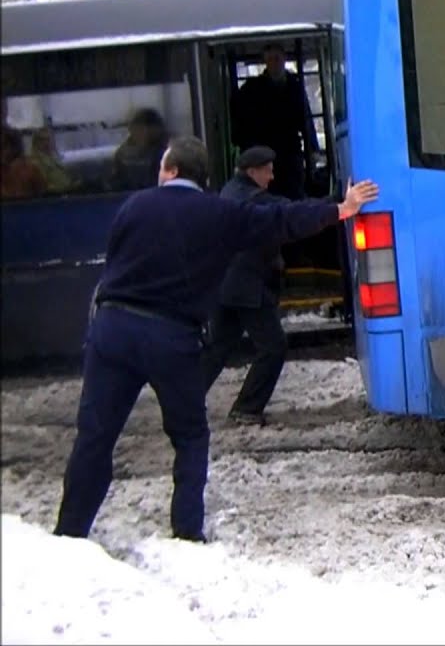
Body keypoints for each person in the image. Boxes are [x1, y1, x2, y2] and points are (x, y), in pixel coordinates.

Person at [53, 135, 379, 544]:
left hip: (112, 329)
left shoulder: (133, 206)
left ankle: (69, 534)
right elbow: (279, 220)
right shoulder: (219, 214)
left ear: (170, 170)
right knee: (190, 437)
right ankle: (186, 532)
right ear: (201, 177)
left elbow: (112, 266)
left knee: (95, 438)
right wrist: (340, 209)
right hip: (171, 336)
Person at [199, 146, 295, 426]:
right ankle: (247, 408)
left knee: (218, 347)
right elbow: (286, 211)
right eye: (268, 171)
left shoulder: (231, 190)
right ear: (252, 172)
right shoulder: (251, 199)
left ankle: (182, 400)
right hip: (247, 286)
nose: (272, 176)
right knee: (274, 347)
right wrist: (335, 204)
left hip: (228, 284)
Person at [230, 44, 321, 201]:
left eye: (277, 58)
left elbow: (305, 118)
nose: (274, 63)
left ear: (284, 60)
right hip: (264, 153)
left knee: (293, 196)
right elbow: (241, 121)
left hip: (290, 153)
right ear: (265, 62)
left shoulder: (294, 86)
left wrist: (312, 148)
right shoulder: (252, 89)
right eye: (270, 59)